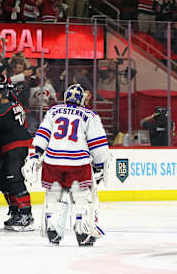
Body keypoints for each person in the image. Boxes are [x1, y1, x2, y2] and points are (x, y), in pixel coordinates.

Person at [24, 83, 110, 246]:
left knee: (53, 195)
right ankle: (83, 233)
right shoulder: (89, 115)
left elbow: (43, 135)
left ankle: (53, 228)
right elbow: (97, 145)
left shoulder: (53, 111)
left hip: (53, 160)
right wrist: (99, 165)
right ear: (81, 99)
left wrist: (36, 155)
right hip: (77, 163)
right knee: (82, 199)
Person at [0, 82, 34, 232]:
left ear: (3, 95)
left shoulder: (2, 108)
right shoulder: (16, 105)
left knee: (14, 179)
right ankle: (16, 211)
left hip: (13, 146)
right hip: (16, 145)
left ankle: (26, 215)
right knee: (5, 180)